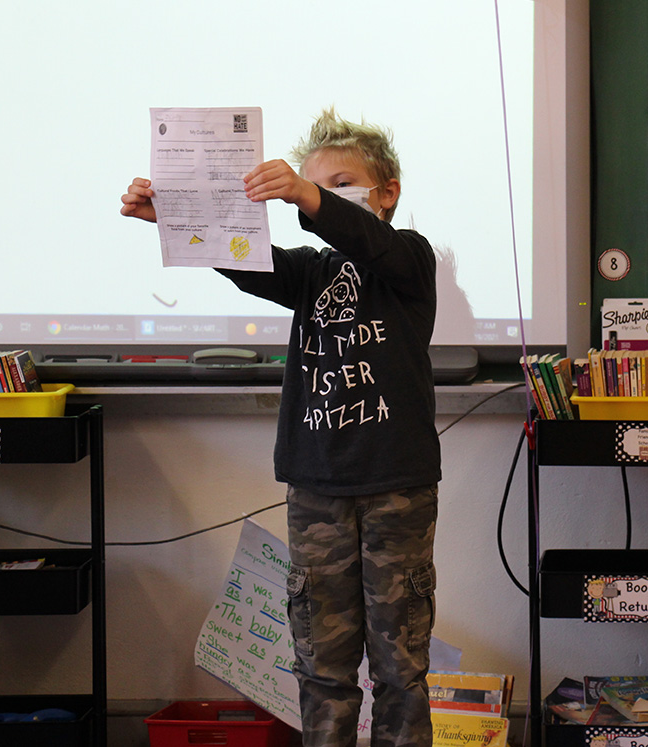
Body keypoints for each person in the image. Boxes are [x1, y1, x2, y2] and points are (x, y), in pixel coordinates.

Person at [121, 108, 441, 747]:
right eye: (314, 185)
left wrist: (309, 194)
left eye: (340, 184)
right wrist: (174, 218)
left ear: (388, 192)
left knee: (399, 664)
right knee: (322, 663)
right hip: (316, 486)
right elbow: (243, 261)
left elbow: (367, 240)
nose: (320, 197)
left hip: (395, 488)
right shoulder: (310, 272)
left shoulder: (410, 257)